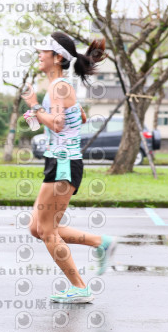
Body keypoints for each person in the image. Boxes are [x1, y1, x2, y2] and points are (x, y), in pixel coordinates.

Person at [21, 32, 117, 304]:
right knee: (37, 228)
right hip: (59, 162)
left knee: (47, 231)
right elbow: (74, 118)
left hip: (64, 163)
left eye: (43, 51)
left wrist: (33, 105)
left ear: (57, 57)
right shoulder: (59, 87)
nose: (39, 55)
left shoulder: (59, 87)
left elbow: (57, 124)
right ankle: (101, 242)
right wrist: (35, 111)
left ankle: (80, 287)